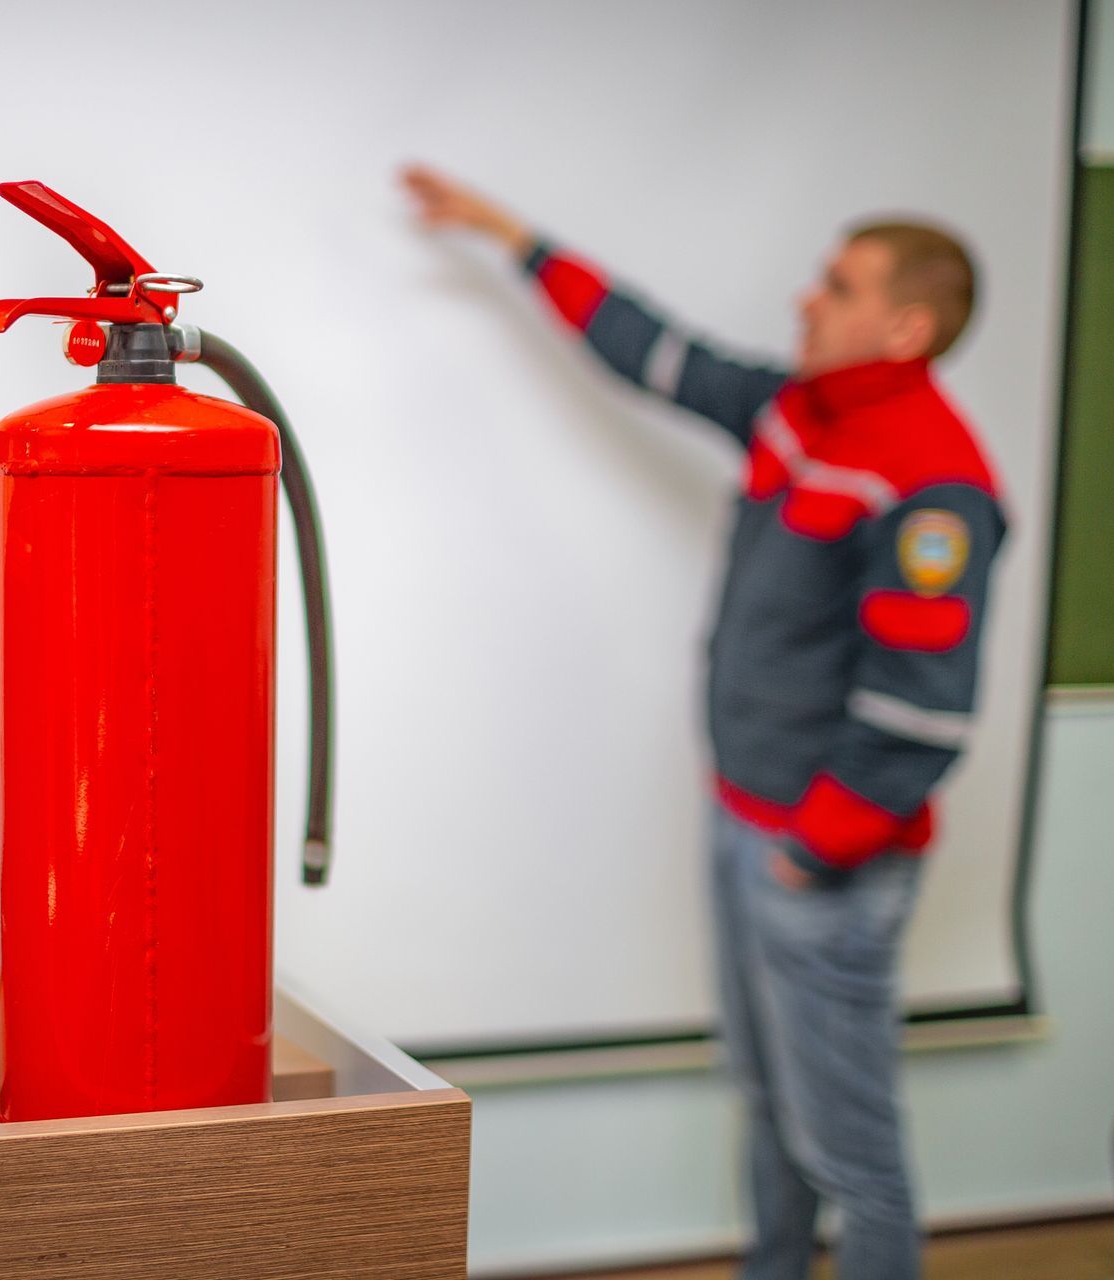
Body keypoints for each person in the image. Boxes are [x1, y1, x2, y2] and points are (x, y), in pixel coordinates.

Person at [402, 165, 1005, 1280]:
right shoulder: (797, 410)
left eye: (838, 284)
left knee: (851, 1152)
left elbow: (921, 718)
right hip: (748, 820)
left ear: (906, 324)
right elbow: (654, 351)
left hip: (818, 861)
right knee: (770, 1108)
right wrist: (514, 233)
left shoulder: (935, 483)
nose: (805, 299)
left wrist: (805, 854)